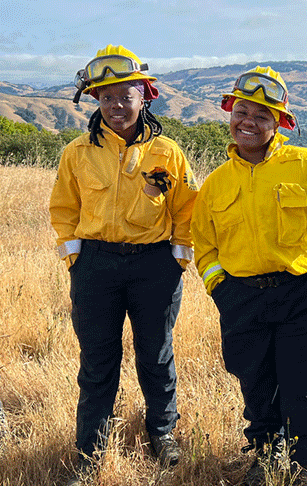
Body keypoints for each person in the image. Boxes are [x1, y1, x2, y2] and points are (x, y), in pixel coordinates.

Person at [191, 66, 307, 486]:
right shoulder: (215, 183)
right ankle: (267, 456)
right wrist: (222, 288)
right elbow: (204, 245)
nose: (248, 121)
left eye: (262, 115)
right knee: (255, 381)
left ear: (279, 124)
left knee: (301, 380)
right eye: (242, 111)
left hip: (301, 289)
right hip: (242, 298)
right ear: (229, 114)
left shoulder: (305, 164)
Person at [49, 45, 198, 484]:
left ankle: (162, 435)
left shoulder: (167, 151)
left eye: (125, 95)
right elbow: (63, 208)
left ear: (144, 95)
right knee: (98, 360)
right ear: (96, 99)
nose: (116, 106)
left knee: (155, 355)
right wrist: (74, 256)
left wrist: (178, 259)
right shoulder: (77, 152)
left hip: (155, 265)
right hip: (95, 266)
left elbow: (187, 208)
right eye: (106, 97)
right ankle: (90, 452)